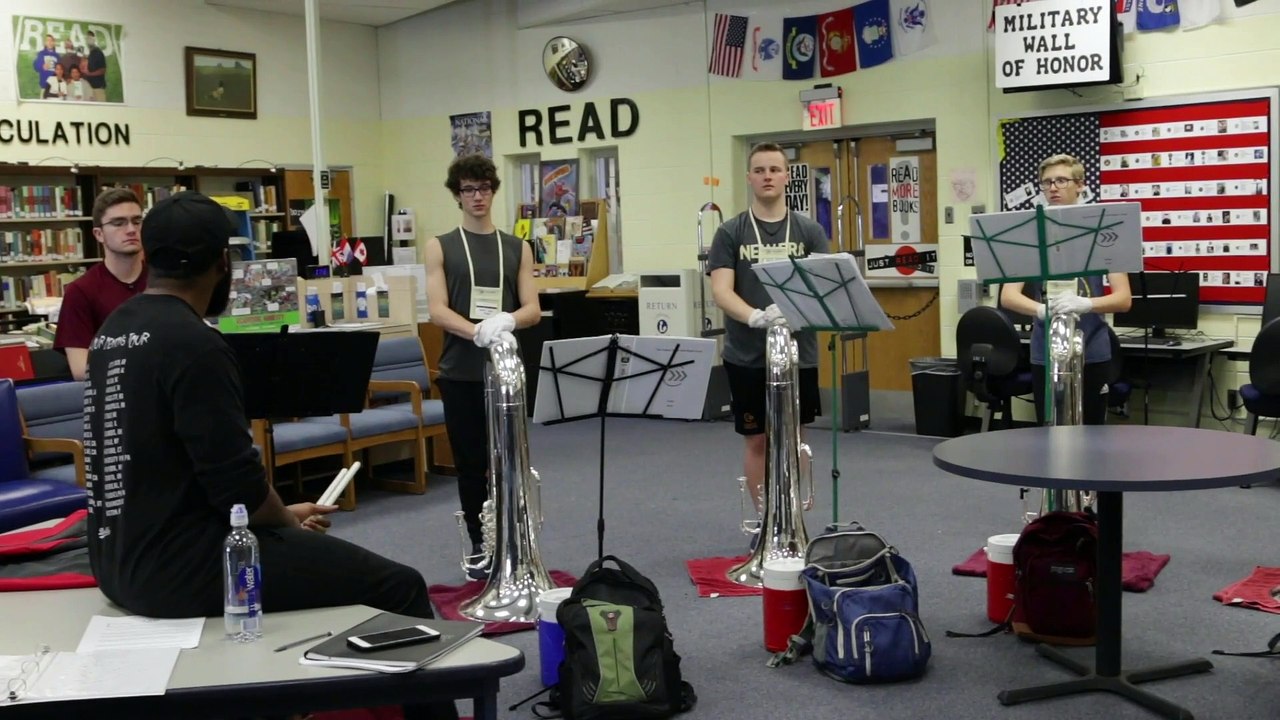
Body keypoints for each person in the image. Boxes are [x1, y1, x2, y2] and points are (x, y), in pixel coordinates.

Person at [83, 191, 456, 720]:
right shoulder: (196, 343)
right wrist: (285, 522)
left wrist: (279, 520)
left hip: (116, 560)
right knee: (399, 586)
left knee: (307, 561)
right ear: (224, 264)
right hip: (180, 572)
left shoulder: (112, 332)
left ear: (150, 253)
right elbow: (234, 481)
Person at [424, 154, 540, 580]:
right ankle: (480, 542)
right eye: (469, 190)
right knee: (472, 464)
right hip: (460, 372)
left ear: (493, 191)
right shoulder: (440, 245)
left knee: (509, 460)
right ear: (457, 195)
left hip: (507, 375)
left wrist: (506, 320)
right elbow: (437, 310)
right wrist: (475, 330)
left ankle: (515, 537)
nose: (477, 197)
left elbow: (532, 308)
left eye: (484, 188)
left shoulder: (517, 246)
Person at [707, 142, 828, 535]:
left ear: (787, 176)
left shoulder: (809, 230)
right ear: (749, 178)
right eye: (759, 170)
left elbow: (823, 286)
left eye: (775, 169)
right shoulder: (731, 231)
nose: (767, 176)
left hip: (799, 354)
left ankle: (792, 518)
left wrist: (794, 313)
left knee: (795, 437)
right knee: (757, 439)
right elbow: (722, 291)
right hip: (746, 354)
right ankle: (765, 524)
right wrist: (756, 317)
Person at [1000, 153, 1132, 426]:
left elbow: (1123, 299)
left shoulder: (1102, 230)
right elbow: (1008, 296)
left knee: (1093, 433)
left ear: (1080, 185)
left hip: (1091, 349)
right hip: (1044, 351)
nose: (1053, 188)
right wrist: (1039, 309)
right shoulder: (1031, 234)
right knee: (1048, 431)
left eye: (1061, 180)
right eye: (1046, 182)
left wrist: (1088, 304)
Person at [54, 188, 148, 380]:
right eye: (118, 223)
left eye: (137, 221)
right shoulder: (80, 291)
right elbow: (81, 370)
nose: (131, 229)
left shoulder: (163, 279)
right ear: (98, 234)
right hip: (117, 397)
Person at [82, 30, 108, 102]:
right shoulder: (91, 54)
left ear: (94, 39)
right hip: (90, 89)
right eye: (87, 38)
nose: (88, 40)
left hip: (98, 88)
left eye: (90, 38)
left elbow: (103, 70)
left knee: (101, 111)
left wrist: (89, 74)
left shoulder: (98, 52)